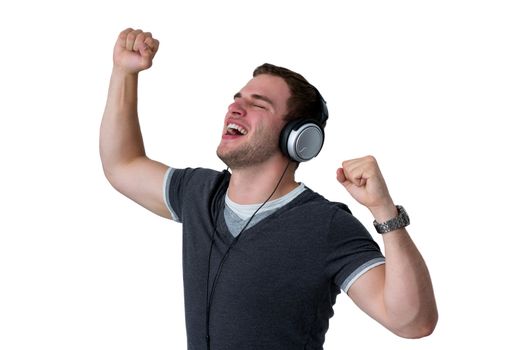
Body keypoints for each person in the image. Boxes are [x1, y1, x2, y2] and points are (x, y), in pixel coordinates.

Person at [100, 28, 438, 350]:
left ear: (298, 139)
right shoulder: (199, 194)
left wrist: (384, 211)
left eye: (258, 104)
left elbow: (412, 322)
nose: (235, 108)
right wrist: (124, 74)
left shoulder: (325, 225)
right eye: (237, 99)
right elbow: (122, 165)